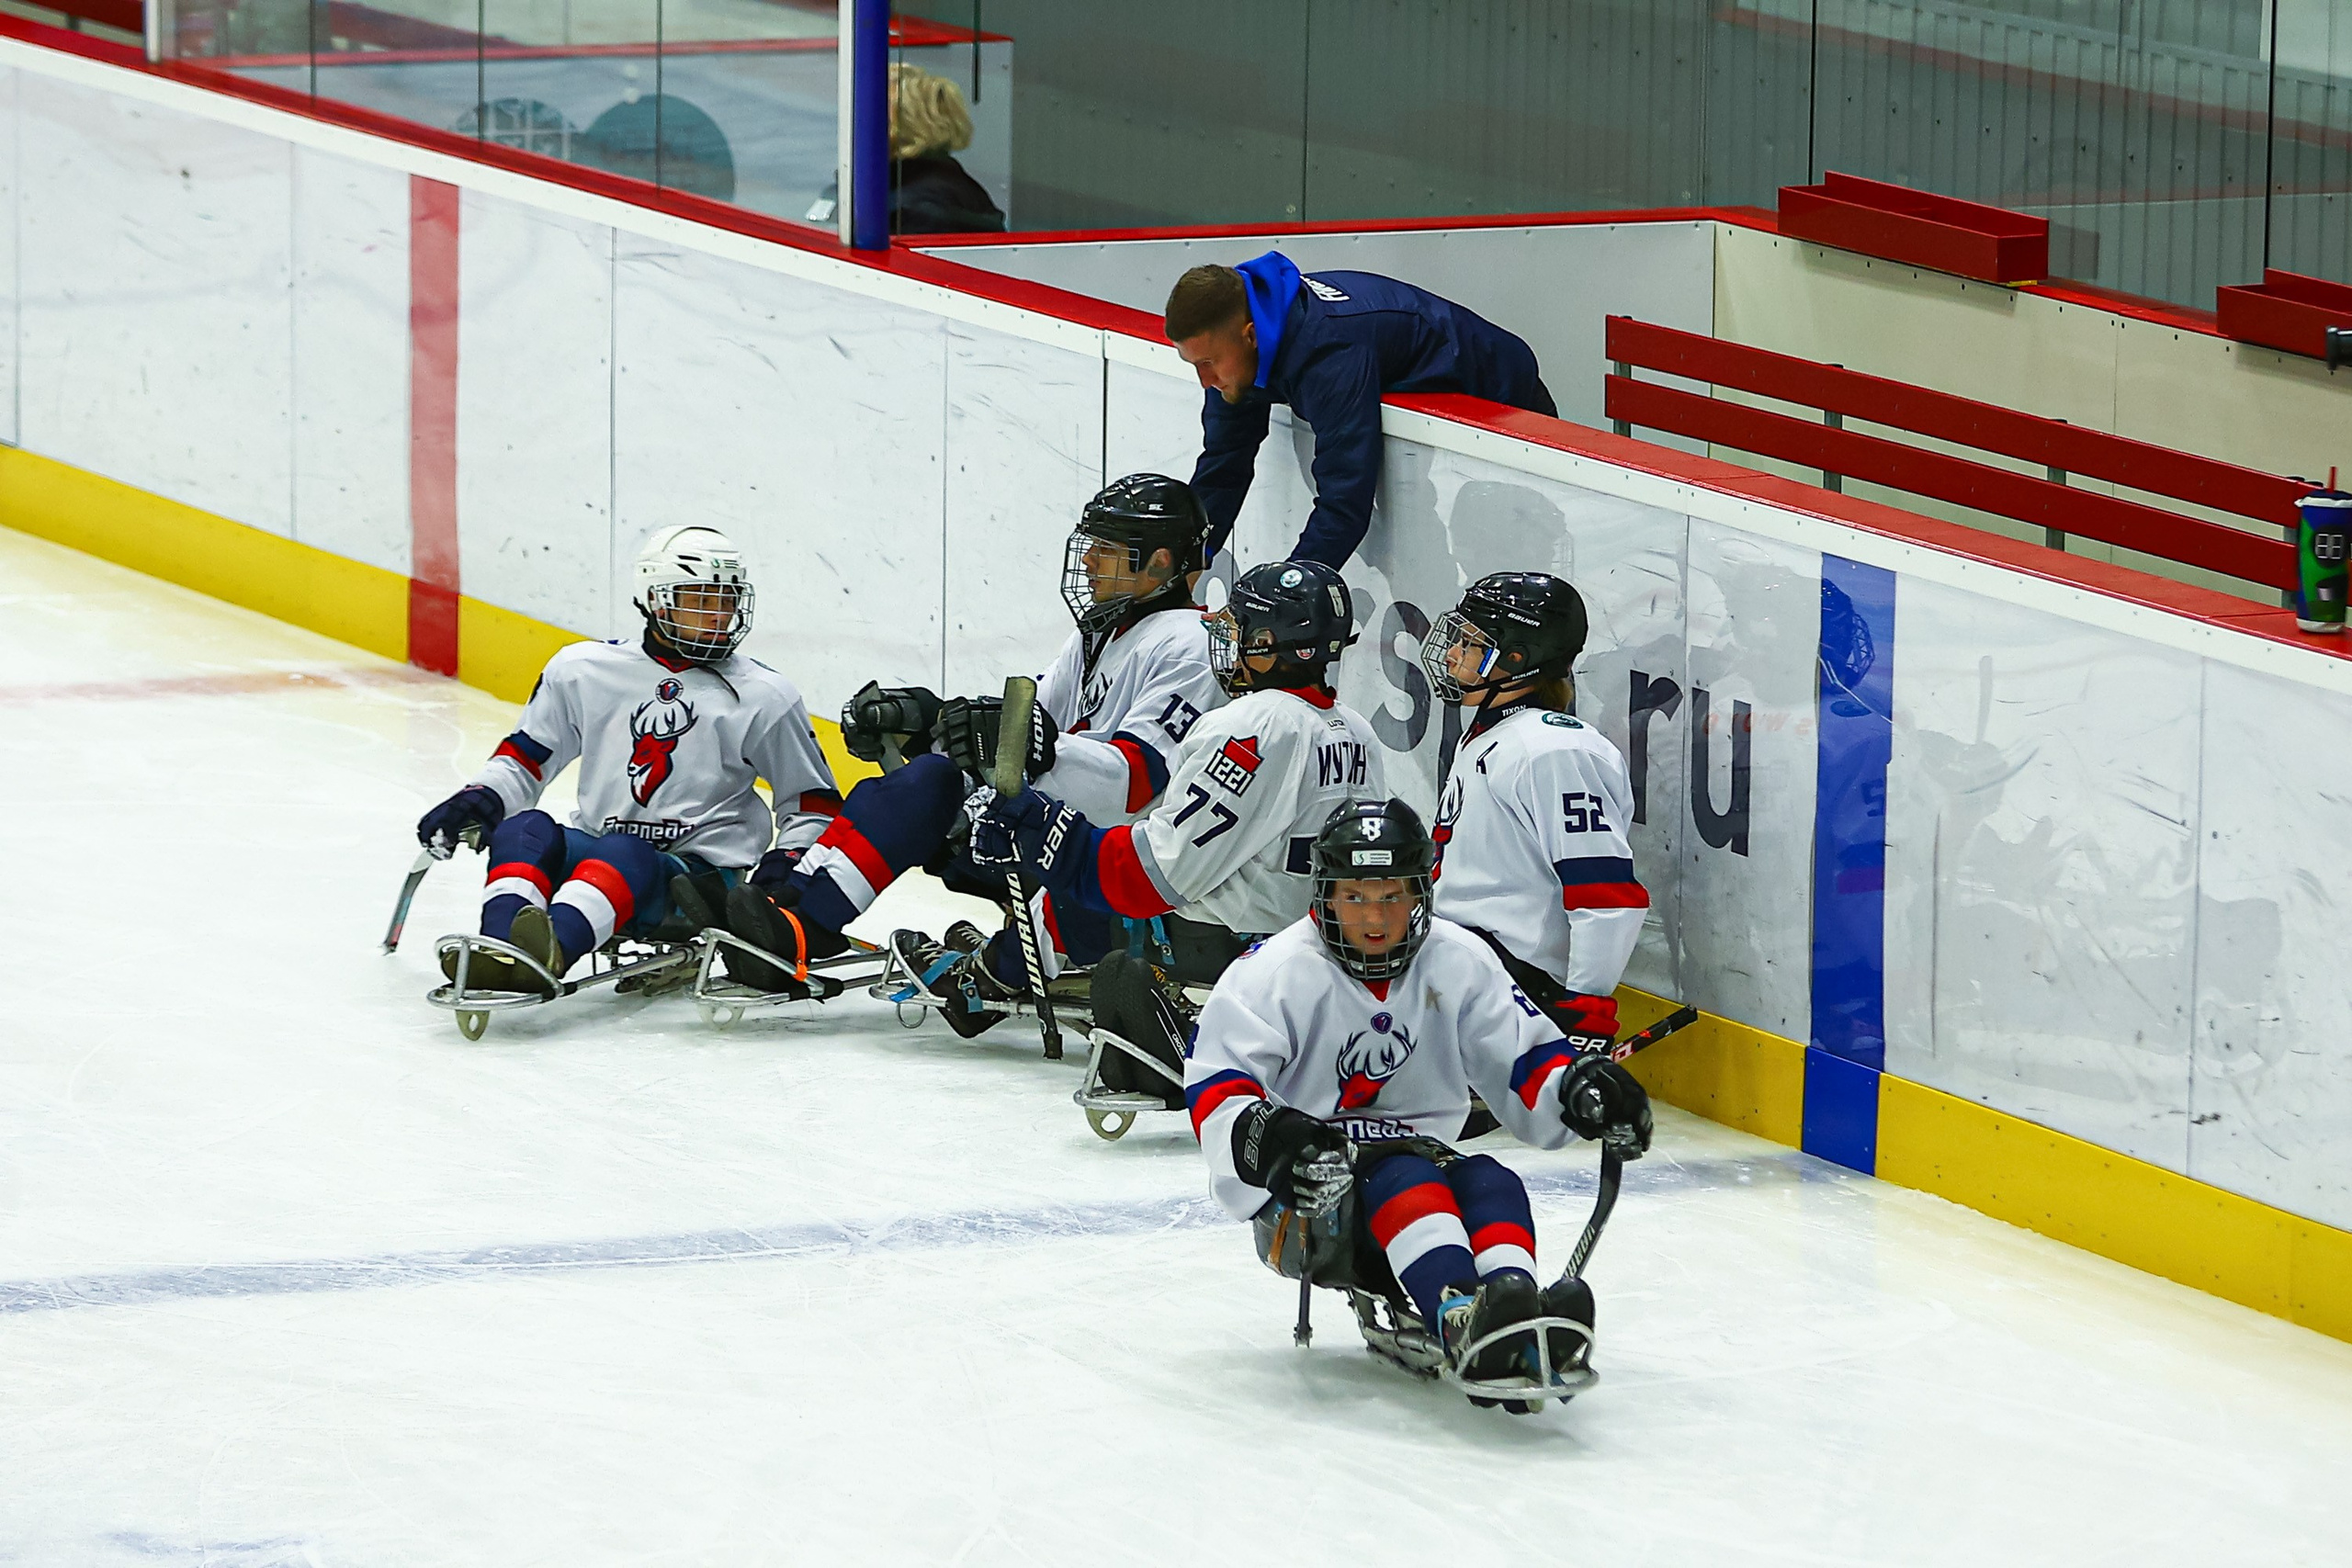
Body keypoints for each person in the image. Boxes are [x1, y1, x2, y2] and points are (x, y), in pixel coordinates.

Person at [1183, 797, 1654, 1407]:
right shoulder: (1271, 972)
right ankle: (1459, 1315)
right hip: (1306, 1199)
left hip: (1417, 1164)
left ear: (1420, 894)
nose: (1375, 917)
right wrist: (1271, 1139)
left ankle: (1511, 1307)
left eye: (1392, 895)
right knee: (1407, 1175)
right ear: (1325, 895)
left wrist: (1579, 1090)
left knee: (1490, 1177)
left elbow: (1524, 1057)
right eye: (1355, 896)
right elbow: (1217, 1088)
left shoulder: (1457, 957)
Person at [713, 475, 1224, 1008]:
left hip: (1105, 870)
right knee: (929, 779)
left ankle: (801, 925)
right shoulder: (1099, 636)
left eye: (1108, 550)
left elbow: (1135, 784)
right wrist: (933, 724)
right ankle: (793, 913)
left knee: (939, 785)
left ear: (1159, 563)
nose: (1090, 562)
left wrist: (1032, 745)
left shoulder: (1189, 645)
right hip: (1048, 835)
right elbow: (1020, 734)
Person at [940, 558, 1383, 1090]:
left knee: (1077, 900)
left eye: (1240, 627)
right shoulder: (1357, 731)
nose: (1226, 636)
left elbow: (1150, 880)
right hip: (1321, 945)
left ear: (1269, 645)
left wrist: (1038, 828)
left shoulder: (1250, 728)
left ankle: (988, 978)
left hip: (1237, 946)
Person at [414, 525, 841, 993]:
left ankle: (547, 954)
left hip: (696, 888)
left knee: (624, 850)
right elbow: (525, 761)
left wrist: (788, 864)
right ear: (657, 601)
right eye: (700, 601)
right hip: (595, 863)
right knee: (524, 829)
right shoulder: (584, 670)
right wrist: (480, 798)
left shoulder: (765, 694)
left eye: (726, 600)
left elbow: (812, 804)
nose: (719, 616)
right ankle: (500, 951)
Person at [1165, 255, 1554, 570]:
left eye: (1209, 363)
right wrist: (1180, 567)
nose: (1204, 381)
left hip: (1507, 403)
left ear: (1250, 335)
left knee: (1501, 554)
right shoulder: (1236, 354)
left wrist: (1285, 594)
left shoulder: (1329, 355)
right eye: (1194, 364)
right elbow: (1224, 464)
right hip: (1428, 399)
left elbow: (1345, 501)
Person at [1419, 572, 1645, 1053]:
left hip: (1513, 985)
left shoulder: (1556, 749)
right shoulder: (1493, 732)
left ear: (1516, 659)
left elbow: (1604, 891)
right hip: (1465, 963)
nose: (1454, 654)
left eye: (1470, 643)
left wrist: (1587, 1012)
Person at [806, 63, 1004, 236]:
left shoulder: (922, 207)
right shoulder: (881, 184)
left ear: (910, 125)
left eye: (872, 112)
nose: (857, 123)